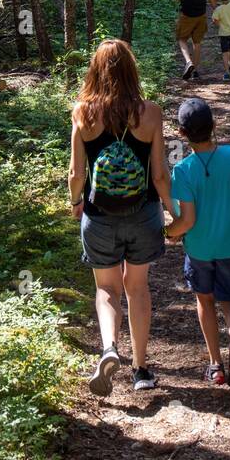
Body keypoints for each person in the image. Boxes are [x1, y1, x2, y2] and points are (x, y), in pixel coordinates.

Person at [69, 39, 173, 396]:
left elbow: (75, 174)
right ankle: (141, 369)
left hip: (98, 216)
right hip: (142, 214)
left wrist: (75, 203)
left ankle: (110, 348)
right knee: (138, 288)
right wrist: (172, 211)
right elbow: (159, 174)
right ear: (132, 70)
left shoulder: (83, 112)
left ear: (95, 71)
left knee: (106, 288)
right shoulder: (151, 113)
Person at [165, 96, 230, 387]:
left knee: (205, 300)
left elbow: (186, 221)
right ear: (213, 125)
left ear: (182, 134)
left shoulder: (182, 170)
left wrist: (168, 233)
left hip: (199, 250)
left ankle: (216, 365)